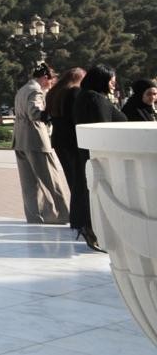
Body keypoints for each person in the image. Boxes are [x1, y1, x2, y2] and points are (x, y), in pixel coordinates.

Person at [71, 64, 127, 252]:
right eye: (111, 81)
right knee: (98, 193)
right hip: (100, 156)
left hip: (89, 153)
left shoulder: (86, 96)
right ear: (102, 80)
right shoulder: (95, 99)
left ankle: (90, 228)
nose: (113, 85)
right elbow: (104, 129)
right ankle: (94, 231)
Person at [12, 63, 70, 225]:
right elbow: (35, 113)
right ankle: (61, 214)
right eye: (51, 81)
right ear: (45, 78)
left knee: (29, 183)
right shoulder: (36, 90)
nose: (51, 85)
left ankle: (35, 216)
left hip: (20, 139)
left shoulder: (23, 89)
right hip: (36, 139)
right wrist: (52, 114)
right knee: (50, 179)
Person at [46, 67, 86, 231]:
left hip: (59, 140)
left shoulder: (53, 93)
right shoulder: (74, 92)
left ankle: (75, 217)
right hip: (72, 140)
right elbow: (76, 117)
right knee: (79, 181)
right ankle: (81, 218)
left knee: (71, 178)